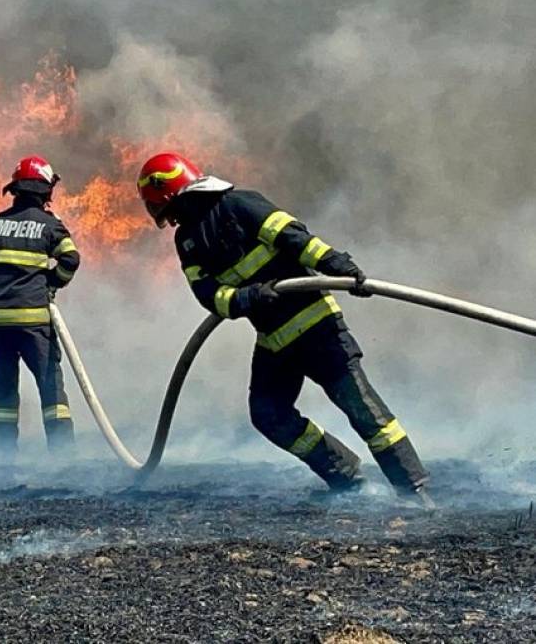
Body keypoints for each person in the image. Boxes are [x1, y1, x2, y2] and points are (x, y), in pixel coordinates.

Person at [137, 151, 430, 501]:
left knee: (361, 408)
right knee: (268, 413)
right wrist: (246, 298)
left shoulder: (240, 204)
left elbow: (295, 238)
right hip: (274, 339)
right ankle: (348, 480)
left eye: (169, 211)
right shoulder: (187, 240)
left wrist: (338, 265)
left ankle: (413, 491)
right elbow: (209, 295)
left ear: (174, 193)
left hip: (316, 326)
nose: (170, 221)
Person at [0, 155, 80, 460]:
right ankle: (63, 457)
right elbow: (71, 259)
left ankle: (4, 458)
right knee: (50, 388)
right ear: (45, 191)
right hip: (33, 320)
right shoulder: (49, 225)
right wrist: (51, 282)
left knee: (4, 388)